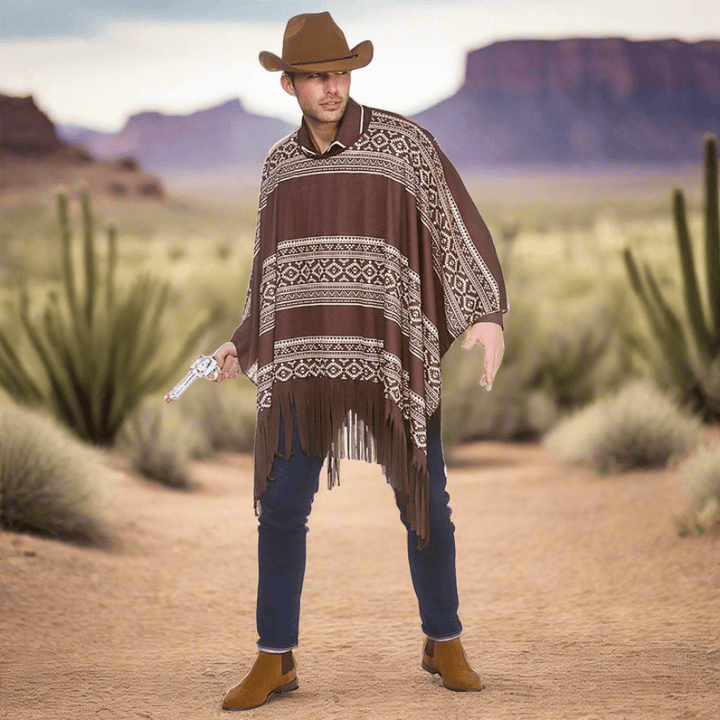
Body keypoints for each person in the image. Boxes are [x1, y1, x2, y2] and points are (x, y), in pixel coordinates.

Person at [211, 11, 508, 712]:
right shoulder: (279, 167)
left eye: (341, 73)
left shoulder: (406, 145)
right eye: (317, 76)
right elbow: (269, 274)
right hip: (305, 366)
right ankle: (274, 657)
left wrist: (485, 313)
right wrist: (244, 341)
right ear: (289, 85)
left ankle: (445, 639)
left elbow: (456, 224)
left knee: (425, 501)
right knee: (281, 508)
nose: (333, 86)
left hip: (392, 358)